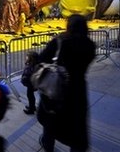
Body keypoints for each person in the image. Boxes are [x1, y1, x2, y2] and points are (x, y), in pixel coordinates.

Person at [37, 14, 96, 152]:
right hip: (77, 90)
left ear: (69, 26)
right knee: (77, 129)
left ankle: (48, 145)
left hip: (57, 89)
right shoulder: (89, 46)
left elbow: (42, 60)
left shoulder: (59, 42)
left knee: (51, 122)